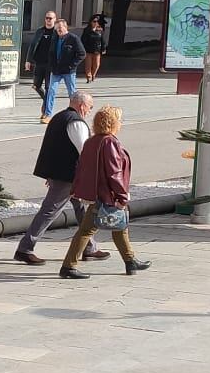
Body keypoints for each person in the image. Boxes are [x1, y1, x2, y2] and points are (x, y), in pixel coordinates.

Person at [13, 91, 108, 267]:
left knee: (82, 210)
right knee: (49, 211)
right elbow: (85, 152)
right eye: (90, 107)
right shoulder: (76, 122)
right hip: (68, 177)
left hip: (64, 174)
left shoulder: (59, 117)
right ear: (81, 105)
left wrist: (50, 172)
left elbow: (52, 147)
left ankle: (90, 247)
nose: (89, 110)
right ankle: (25, 249)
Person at [59, 104, 149, 278]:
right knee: (88, 230)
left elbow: (82, 167)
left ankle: (131, 262)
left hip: (95, 193)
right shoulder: (110, 142)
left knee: (120, 226)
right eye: (119, 120)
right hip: (107, 194)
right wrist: (122, 195)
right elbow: (114, 172)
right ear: (113, 122)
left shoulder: (92, 141)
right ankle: (68, 267)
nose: (121, 123)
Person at [44, 19, 84, 118]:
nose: (58, 30)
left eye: (60, 28)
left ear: (65, 27)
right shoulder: (55, 38)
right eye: (57, 28)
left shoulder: (73, 38)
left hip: (68, 71)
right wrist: (51, 65)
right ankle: (48, 114)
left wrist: (72, 65)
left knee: (72, 93)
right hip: (56, 70)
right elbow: (51, 53)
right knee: (51, 91)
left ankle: (76, 113)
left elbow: (82, 54)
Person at [27, 11, 59, 120]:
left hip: (50, 64)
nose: (49, 20)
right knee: (36, 85)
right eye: (47, 18)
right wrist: (28, 60)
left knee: (48, 87)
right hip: (39, 63)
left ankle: (46, 111)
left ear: (55, 19)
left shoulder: (56, 32)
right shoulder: (40, 31)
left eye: (51, 18)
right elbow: (32, 45)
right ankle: (46, 100)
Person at [80, 14, 108, 83]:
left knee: (96, 65)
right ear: (91, 22)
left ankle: (93, 75)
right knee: (88, 65)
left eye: (97, 21)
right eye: (94, 21)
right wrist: (83, 49)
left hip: (97, 50)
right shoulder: (87, 30)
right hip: (88, 50)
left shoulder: (100, 30)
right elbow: (83, 40)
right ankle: (89, 77)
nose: (96, 23)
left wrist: (103, 48)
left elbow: (103, 40)